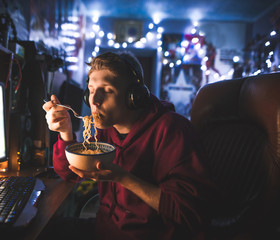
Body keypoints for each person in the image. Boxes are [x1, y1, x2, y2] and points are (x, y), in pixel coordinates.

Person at [42, 51, 215, 240]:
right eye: (91, 90)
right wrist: (65, 132)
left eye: (107, 90)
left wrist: (122, 177)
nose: (94, 100)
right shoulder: (107, 130)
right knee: (40, 230)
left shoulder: (173, 130)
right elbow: (69, 173)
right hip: (106, 230)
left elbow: (191, 212)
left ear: (134, 96)